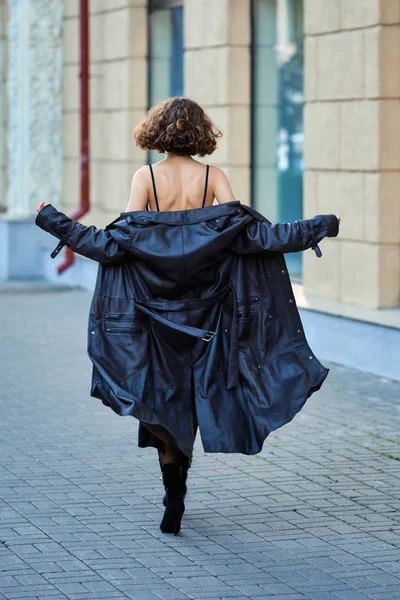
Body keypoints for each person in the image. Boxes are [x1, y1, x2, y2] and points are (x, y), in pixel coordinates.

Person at [36, 96, 341, 537]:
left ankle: (173, 495)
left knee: (163, 403)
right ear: (201, 134)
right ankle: (181, 490)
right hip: (210, 318)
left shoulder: (147, 177)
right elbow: (254, 236)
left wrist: (53, 220)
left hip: (153, 319)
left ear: (156, 133)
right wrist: (321, 225)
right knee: (202, 395)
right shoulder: (213, 177)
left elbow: (114, 244)